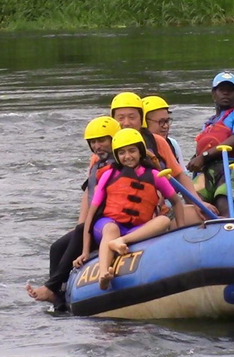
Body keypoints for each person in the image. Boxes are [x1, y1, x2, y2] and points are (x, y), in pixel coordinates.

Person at [26, 116, 121, 306]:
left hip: (112, 223)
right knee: (56, 247)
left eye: (102, 140)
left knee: (79, 231)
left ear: (114, 139)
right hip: (94, 223)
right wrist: (82, 224)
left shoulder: (120, 165)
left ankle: (50, 287)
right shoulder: (97, 165)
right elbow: (89, 197)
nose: (97, 146)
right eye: (93, 142)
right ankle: (58, 295)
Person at [77, 128, 185, 290]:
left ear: (141, 152)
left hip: (136, 230)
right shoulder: (108, 175)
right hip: (108, 226)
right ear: (117, 155)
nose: (127, 156)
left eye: (132, 151)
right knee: (112, 229)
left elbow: (176, 202)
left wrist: (181, 231)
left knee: (163, 220)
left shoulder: (155, 176)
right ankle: (104, 274)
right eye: (121, 153)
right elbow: (92, 214)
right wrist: (85, 251)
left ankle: (121, 242)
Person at [110, 91, 217, 222]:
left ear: (141, 118)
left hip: (159, 212)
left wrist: (198, 203)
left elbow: (179, 176)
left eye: (132, 117)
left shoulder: (157, 141)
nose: (126, 123)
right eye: (120, 118)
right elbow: (93, 191)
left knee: (208, 218)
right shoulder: (105, 148)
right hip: (119, 215)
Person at [186, 72, 234, 217]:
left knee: (223, 203)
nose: (226, 93)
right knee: (191, 201)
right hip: (209, 169)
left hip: (233, 166)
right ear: (214, 94)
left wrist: (204, 156)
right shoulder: (209, 123)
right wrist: (195, 160)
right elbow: (202, 150)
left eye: (230, 90)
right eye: (221, 89)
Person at [142, 95, 188, 174]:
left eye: (167, 121)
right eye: (161, 122)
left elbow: (183, 174)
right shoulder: (135, 148)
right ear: (144, 122)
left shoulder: (173, 143)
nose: (166, 126)